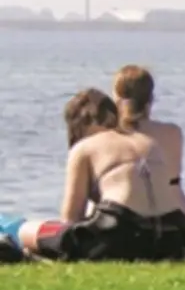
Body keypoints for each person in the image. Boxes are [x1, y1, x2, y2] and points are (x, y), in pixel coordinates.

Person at [55, 65, 185, 261]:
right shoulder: (170, 134)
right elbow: (173, 189)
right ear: (151, 99)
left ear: (115, 99)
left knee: (31, 232)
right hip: (169, 226)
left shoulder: (93, 144)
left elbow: (70, 218)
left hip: (120, 226)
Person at [0, 88, 120, 258]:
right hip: (130, 232)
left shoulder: (83, 152)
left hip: (102, 239)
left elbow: (68, 223)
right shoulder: (135, 149)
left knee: (22, 229)